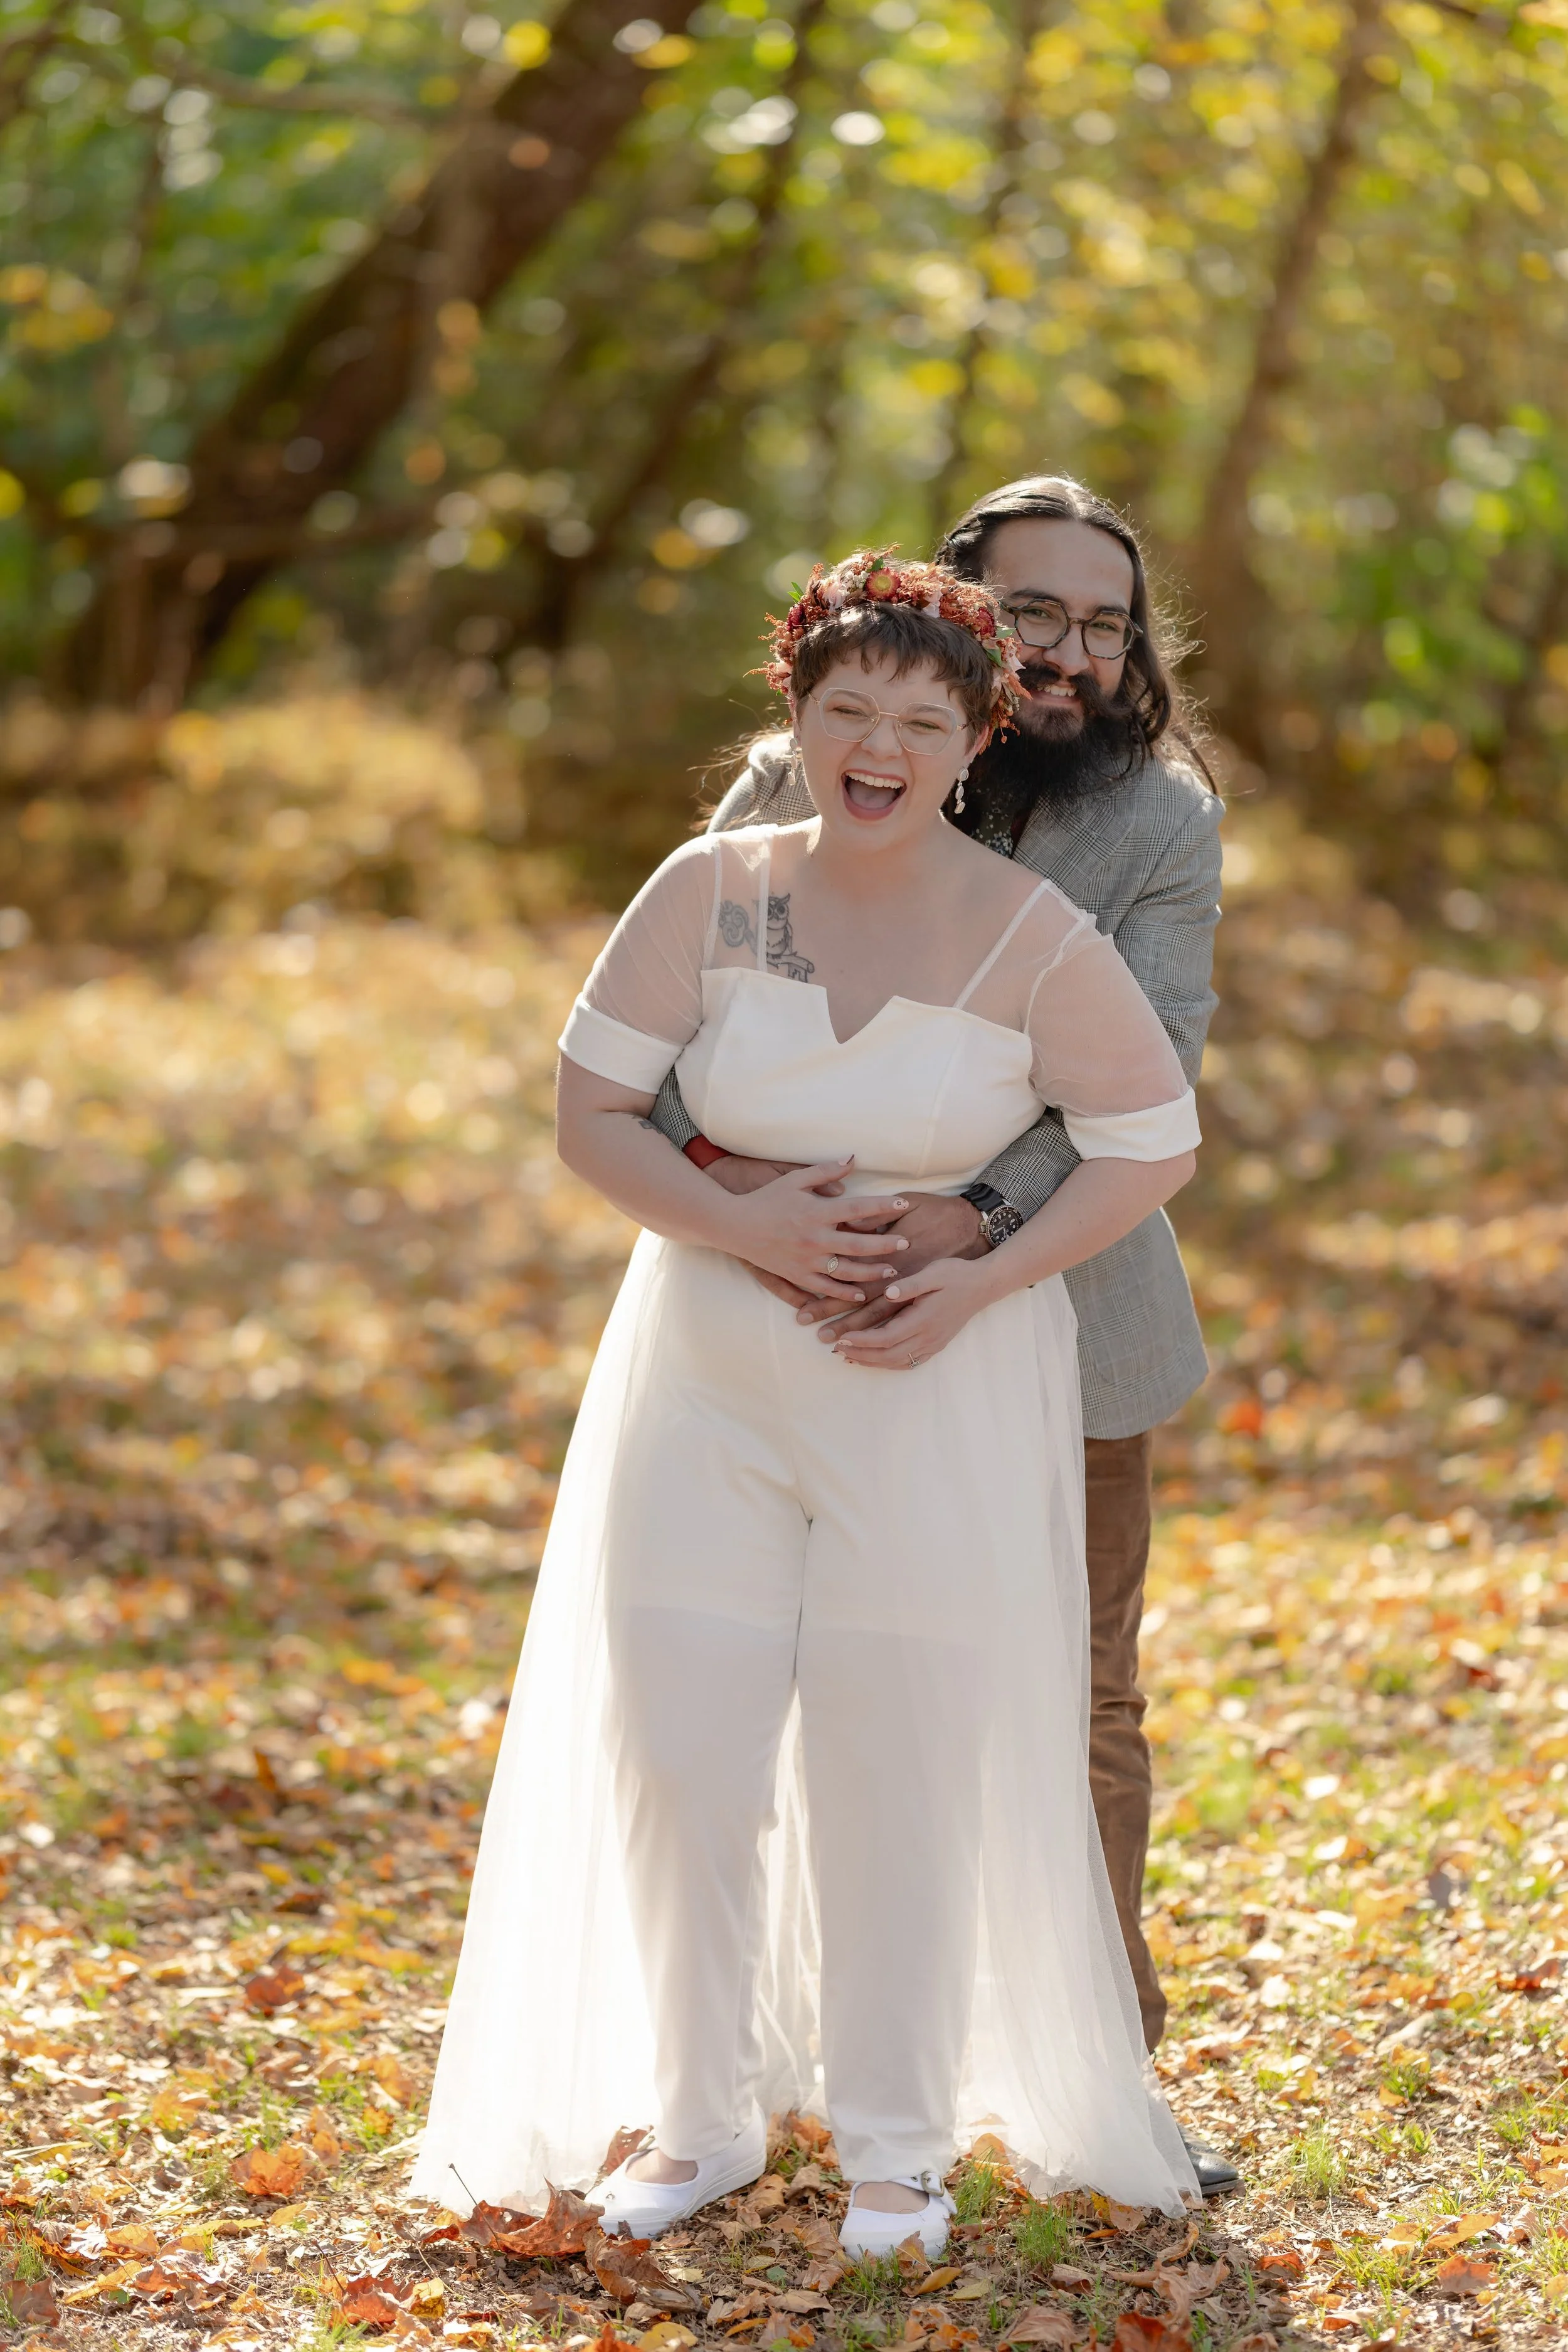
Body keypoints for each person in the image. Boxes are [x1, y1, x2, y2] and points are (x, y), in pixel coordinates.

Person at [412, 551, 1203, 2251]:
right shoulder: (708, 887)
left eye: (918, 719)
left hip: (927, 1387)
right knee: (684, 1750)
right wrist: (743, 1222)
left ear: (974, 740)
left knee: (892, 1760)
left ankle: (896, 2146)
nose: (877, 743)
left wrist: (981, 1273)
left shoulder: (1030, 934)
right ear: (797, 716)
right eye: (845, 709)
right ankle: (700, 2117)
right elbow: (591, 1109)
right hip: (702, 1373)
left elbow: (1151, 1139)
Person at [650, 477, 1237, 2197]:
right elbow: (678, 1017)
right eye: (1034, 612)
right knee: (775, 1672)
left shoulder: (1158, 826)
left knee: (1078, 1693)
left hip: (1068, 1311)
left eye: (1104, 621)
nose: (1070, 649)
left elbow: (1155, 1074)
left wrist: (968, 1216)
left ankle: (1100, 2078)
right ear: (960, 616)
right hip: (788, 1304)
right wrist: (776, 1204)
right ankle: (766, 2057)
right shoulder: (818, 763)